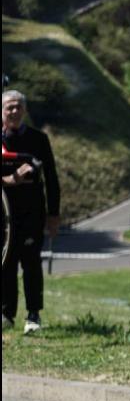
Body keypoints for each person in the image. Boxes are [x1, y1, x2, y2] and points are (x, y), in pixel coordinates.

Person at [1, 89, 60, 334]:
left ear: (24, 110)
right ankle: (6, 313)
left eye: (18, 107)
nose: (14, 111)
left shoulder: (39, 139)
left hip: (32, 212)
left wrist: (53, 214)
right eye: (9, 108)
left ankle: (33, 314)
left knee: (31, 263)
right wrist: (12, 178)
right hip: (4, 215)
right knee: (5, 263)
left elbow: (52, 178)